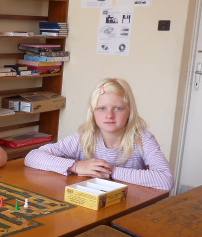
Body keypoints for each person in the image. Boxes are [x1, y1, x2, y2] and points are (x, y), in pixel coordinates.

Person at [24, 78, 174, 191]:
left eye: (118, 108)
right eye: (102, 108)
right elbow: (33, 157)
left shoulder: (142, 138)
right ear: (93, 113)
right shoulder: (84, 137)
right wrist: (76, 166)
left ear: (130, 112)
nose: (109, 115)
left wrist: (110, 172)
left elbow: (165, 180)